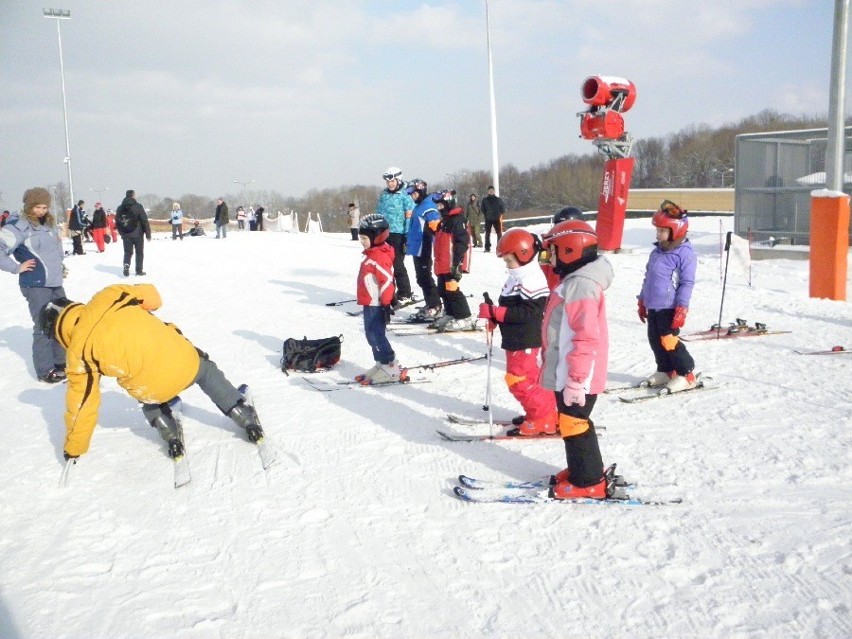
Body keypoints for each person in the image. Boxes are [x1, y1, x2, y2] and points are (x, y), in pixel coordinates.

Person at [39, 284, 267, 463]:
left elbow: (82, 406)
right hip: (186, 363)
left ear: (57, 335)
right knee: (206, 369)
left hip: (152, 389)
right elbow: (154, 297)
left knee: (140, 382)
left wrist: (74, 449)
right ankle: (241, 413)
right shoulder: (110, 295)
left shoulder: (77, 354)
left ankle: (167, 430)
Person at [539, 219, 615, 499]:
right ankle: (582, 470)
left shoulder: (581, 286)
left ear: (571, 250)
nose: (551, 257)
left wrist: (576, 380)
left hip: (578, 375)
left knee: (575, 422)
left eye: (554, 251)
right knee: (571, 422)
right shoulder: (573, 282)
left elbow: (585, 337)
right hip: (569, 370)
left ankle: (588, 482)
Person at [477, 228, 557, 436]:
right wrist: (494, 316)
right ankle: (540, 412)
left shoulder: (532, 278)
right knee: (529, 378)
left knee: (519, 380)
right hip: (515, 338)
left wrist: (497, 312)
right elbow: (511, 309)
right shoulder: (518, 275)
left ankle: (543, 418)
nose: (507, 265)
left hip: (525, 340)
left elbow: (527, 313)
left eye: (509, 260)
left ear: (523, 255)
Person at [0, 187, 67, 383]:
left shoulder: (49, 224)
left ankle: (61, 362)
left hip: (55, 283)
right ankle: (46, 370)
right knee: (44, 325)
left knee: (61, 321)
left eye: (45, 206)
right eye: (37, 206)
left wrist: (60, 266)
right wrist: (15, 267)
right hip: (35, 284)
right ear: (29, 206)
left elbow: (54, 250)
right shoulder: (17, 227)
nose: (42, 210)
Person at [637, 200, 697, 393]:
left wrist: (682, 307)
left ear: (675, 230)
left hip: (670, 306)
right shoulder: (657, 251)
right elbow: (649, 277)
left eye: (662, 230)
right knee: (654, 339)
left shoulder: (684, 253)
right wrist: (642, 299)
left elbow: (686, 282)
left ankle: (686, 373)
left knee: (668, 340)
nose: (658, 234)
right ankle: (665, 370)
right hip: (654, 305)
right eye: (657, 230)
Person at [353, 215, 404, 385]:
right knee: (370, 335)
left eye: (365, 238)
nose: (362, 241)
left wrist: (386, 304)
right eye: (361, 238)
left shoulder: (379, 256)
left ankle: (390, 365)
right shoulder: (371, 254)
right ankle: (380, 362)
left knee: (377, 335)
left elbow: (388, 281)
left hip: (377, 304)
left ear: (377, 237)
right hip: (369, 303)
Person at [430, 191, 475, 332]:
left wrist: (458, 263)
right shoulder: (444, 221)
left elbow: (462, 242)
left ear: (449, 203)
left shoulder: (457, 220)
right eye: (438, 205)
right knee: (443, 291)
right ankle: (451, 313)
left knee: (452, 290)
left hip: (452, 263)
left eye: (441, 205)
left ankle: (464, 317)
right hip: (442, 263)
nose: (439, 208)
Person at [375, 167, 415, 307]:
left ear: (398, 180)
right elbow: (378, 213)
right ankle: (388, 291)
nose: (390, 184)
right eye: (388, 182)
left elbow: (410, 216)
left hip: (399, 234)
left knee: (397, 264)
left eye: (392, 181)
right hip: (385, 234)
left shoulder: (405, 195)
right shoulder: (384, 195)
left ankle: (405, 292)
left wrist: (407, 236)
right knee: (384, 265)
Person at [404, 179, 442, 321]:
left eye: (413, 193)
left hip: (424, 247)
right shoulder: (419, 206)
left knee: (425, 277)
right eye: (410, 193)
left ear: (420, 191)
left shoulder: (428, 206)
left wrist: (435, 245)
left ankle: (435, 306)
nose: (411, 196)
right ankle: (430, 303)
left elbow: (436, 228)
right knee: (421, 278)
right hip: (416, 248)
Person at [115, 189, 151, 277]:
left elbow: (117, 222)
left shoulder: (120, 208)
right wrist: (148, 233)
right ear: (133, 196)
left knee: (127, 252)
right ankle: (139, 271)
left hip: (126, 234)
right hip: (137, 233)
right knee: (139, 252)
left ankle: (126, 265)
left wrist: (121, 233)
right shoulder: (138, 206)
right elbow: (144, 220)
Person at [480, 185, 506, 252]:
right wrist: (486, 215)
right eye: (490, 190)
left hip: (496, 219)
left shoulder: (498, 200)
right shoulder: (484, 200)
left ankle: (500, 248)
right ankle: (487, 248)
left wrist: (499, 214)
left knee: (499, 233)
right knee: (487, 234)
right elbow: (482, 209)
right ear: (488, 191)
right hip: (488, 219)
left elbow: (502, 209)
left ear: (494, 191)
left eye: (492, 190)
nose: (491, 191)